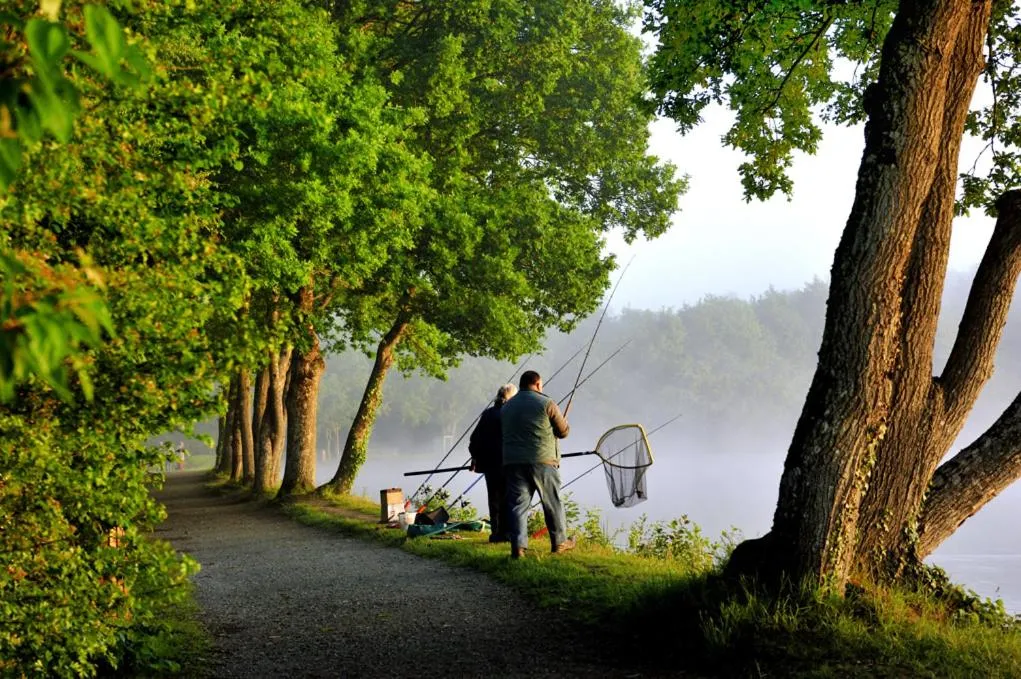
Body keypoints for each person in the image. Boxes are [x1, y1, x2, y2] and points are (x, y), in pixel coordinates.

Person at [501, 370, 575, 558]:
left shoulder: (507, 407)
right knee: (552, 502)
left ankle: (518, 548)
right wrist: (564, 423)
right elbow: (563, 432)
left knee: (518, 506)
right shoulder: (547, 403)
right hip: (543, 461)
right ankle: (560, 542)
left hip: (513, 462)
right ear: (538, 384)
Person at [468, 383, 518, 543]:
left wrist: (475, 457)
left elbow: (474, 439)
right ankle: (508, 533)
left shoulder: (488, 414)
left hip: (489, 465)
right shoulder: (510, 414)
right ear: (511, 398)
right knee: (509, 499)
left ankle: (496, 533)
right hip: (507, 463)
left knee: (494, 500)